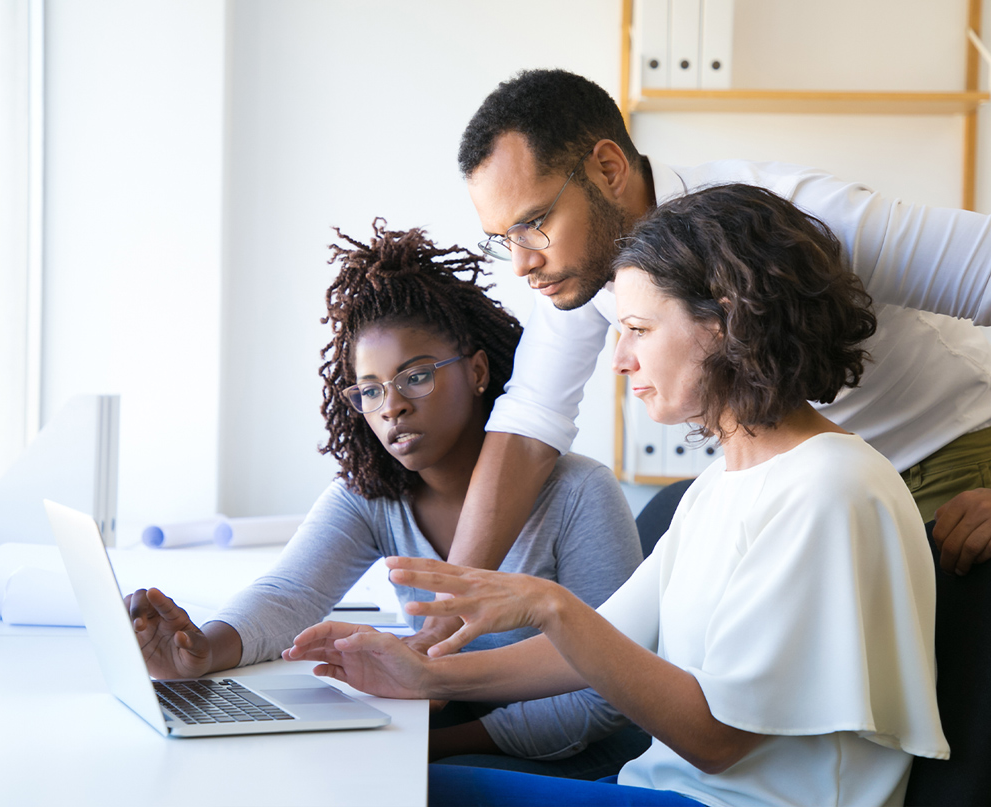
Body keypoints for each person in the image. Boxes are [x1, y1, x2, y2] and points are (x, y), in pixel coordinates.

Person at [284, 185, 950, 807]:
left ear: (724, 322)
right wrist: (425, 676)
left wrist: (550, 605)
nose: (620, 358)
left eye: (639, 328)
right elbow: (608, 641)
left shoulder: (829, 488)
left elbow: (717, 741)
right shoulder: (721, 484)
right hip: (662, 787)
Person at [412, 68, 991, 656]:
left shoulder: (796, 218)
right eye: (502, 237)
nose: (520, 263)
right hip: (807, 491)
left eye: (532, 225)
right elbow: (529, 421)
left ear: (608, 170)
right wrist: (442, 624)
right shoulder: (581, 266)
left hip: (945, 461)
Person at [124, 219, 644, 773]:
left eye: (416, 376)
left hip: (575, 755)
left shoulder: (579, 493)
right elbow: (290, 593)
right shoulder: (373, 494)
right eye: (370, 390)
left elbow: (606, 695)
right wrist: (203, 650)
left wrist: (424, 748)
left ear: (477, 371)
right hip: (445, 727)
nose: (391, 406)